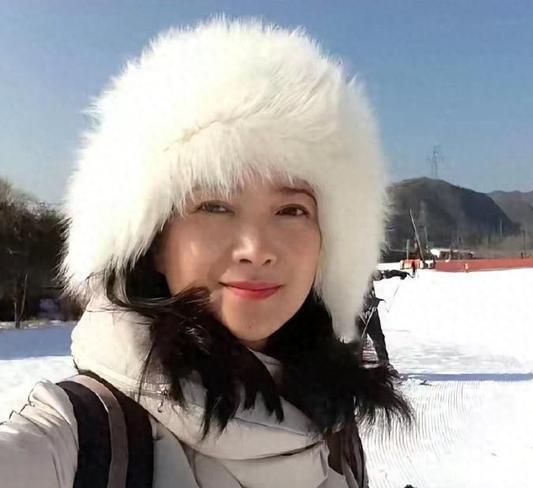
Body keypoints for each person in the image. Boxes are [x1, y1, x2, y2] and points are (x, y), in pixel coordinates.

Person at [0, 18, 411, 488]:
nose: (256, 249)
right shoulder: (86, 441)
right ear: (153, 242)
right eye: (214, 206)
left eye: (291, 210)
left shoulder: (332, 416)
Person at [357, 280, 389, 363]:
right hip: (358, 310)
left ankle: (384, 362)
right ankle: (355, 363)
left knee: (378, 338)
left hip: (371, 309)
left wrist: (397, 273)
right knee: (359, 339)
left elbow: (378, 275)